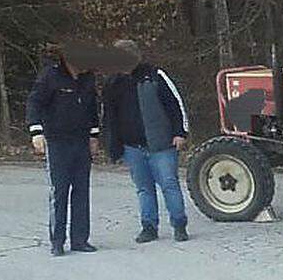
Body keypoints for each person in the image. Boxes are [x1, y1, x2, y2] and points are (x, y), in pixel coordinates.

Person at [102, 40, 191, 243]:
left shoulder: (155, 76)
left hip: (162, 144)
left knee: (169, 184)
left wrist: (181, 132)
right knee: (143, 188)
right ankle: (149, 227)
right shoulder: (112, 83)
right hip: (132, 147)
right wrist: (112, 145)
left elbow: (175, 104)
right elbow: (109, 117)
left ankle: (179, 224)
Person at [26, 50, 100, 256]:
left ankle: (80, 240)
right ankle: (57, 241)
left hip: (81, 142)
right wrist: (36, 132)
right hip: (58, 142)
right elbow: (34, 103)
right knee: (59, 192)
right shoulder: (51, 76)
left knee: (81, 191)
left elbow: (92, 109)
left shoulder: (87, 79)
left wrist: (94, 136)